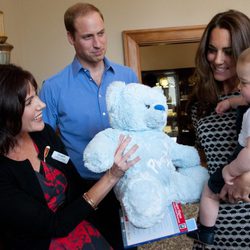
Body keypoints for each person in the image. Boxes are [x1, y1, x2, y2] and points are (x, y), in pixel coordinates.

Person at [0, 64, 140, 250]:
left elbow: (74, 183)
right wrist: (112, 176)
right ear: (7, 113)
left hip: (81, 226)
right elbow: (54, 225)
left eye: (36, 96)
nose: (41, 105)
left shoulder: (43, 135)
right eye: (29, 102)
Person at [39, 3, 139, 249]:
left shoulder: (128, 76)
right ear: (71, 38)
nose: (98, 43)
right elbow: (45, 146)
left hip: (129, 183)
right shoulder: (53, 88)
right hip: (86, 191)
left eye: (101, 33)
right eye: (88, 37)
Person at [186, 9, 250, 249]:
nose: (218, 59)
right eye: (212, 50)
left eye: (228, 52)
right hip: (213, 228)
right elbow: (205, 162)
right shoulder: (199, 104)